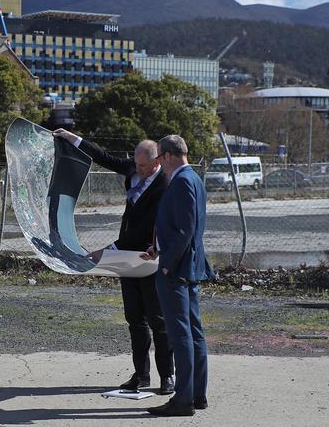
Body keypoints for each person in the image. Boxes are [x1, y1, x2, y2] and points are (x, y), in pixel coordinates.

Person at [53, 128, 174, 395]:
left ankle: (167, 376)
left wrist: (107, 250)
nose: (138, 170)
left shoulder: (163, 185)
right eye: (136, 164)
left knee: (157, 319)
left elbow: (145, 228)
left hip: (148, 256)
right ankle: (141, 375)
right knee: (134, 318)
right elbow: (103, 157)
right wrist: (73, 138)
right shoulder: (133, 168)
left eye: (144, 166)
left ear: (157, 162)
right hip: (125, 258)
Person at [141, 134, 215, 417]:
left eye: (159, 157)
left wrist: (168, 263)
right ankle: (197, 394)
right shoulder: (193, 179)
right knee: (193, 331)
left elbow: (186, 229)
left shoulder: (183, 181)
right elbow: (180, 227)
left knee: (181, 333)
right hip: (187, 266)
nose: (159, 162)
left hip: (178, 270)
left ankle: (183, 399)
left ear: (169, 155)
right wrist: (158, 248)